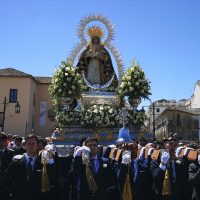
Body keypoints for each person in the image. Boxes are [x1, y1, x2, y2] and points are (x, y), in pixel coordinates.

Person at [1, 134, 56, 200]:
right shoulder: (16, 161)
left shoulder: (43, 162)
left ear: (38, 146)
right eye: (28, 144)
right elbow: (5, 181)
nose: (30, 146)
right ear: (24, 145)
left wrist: (50, 160)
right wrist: (15, 192)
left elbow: (52, 179)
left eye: (33, 144)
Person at [77, 26, 118, 90]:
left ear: (99, 40)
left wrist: (99, 56)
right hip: (91, 64)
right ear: (92, 39)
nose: (95, 40)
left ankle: (99, 87)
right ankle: (89, 87)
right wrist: (89, 55)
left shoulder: (102, 49)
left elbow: (107, 58)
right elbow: (83, 57)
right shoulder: (88, 48)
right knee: (90, 75)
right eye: (94, 39)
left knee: (99, 77)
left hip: (100, 65)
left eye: (96, 39)